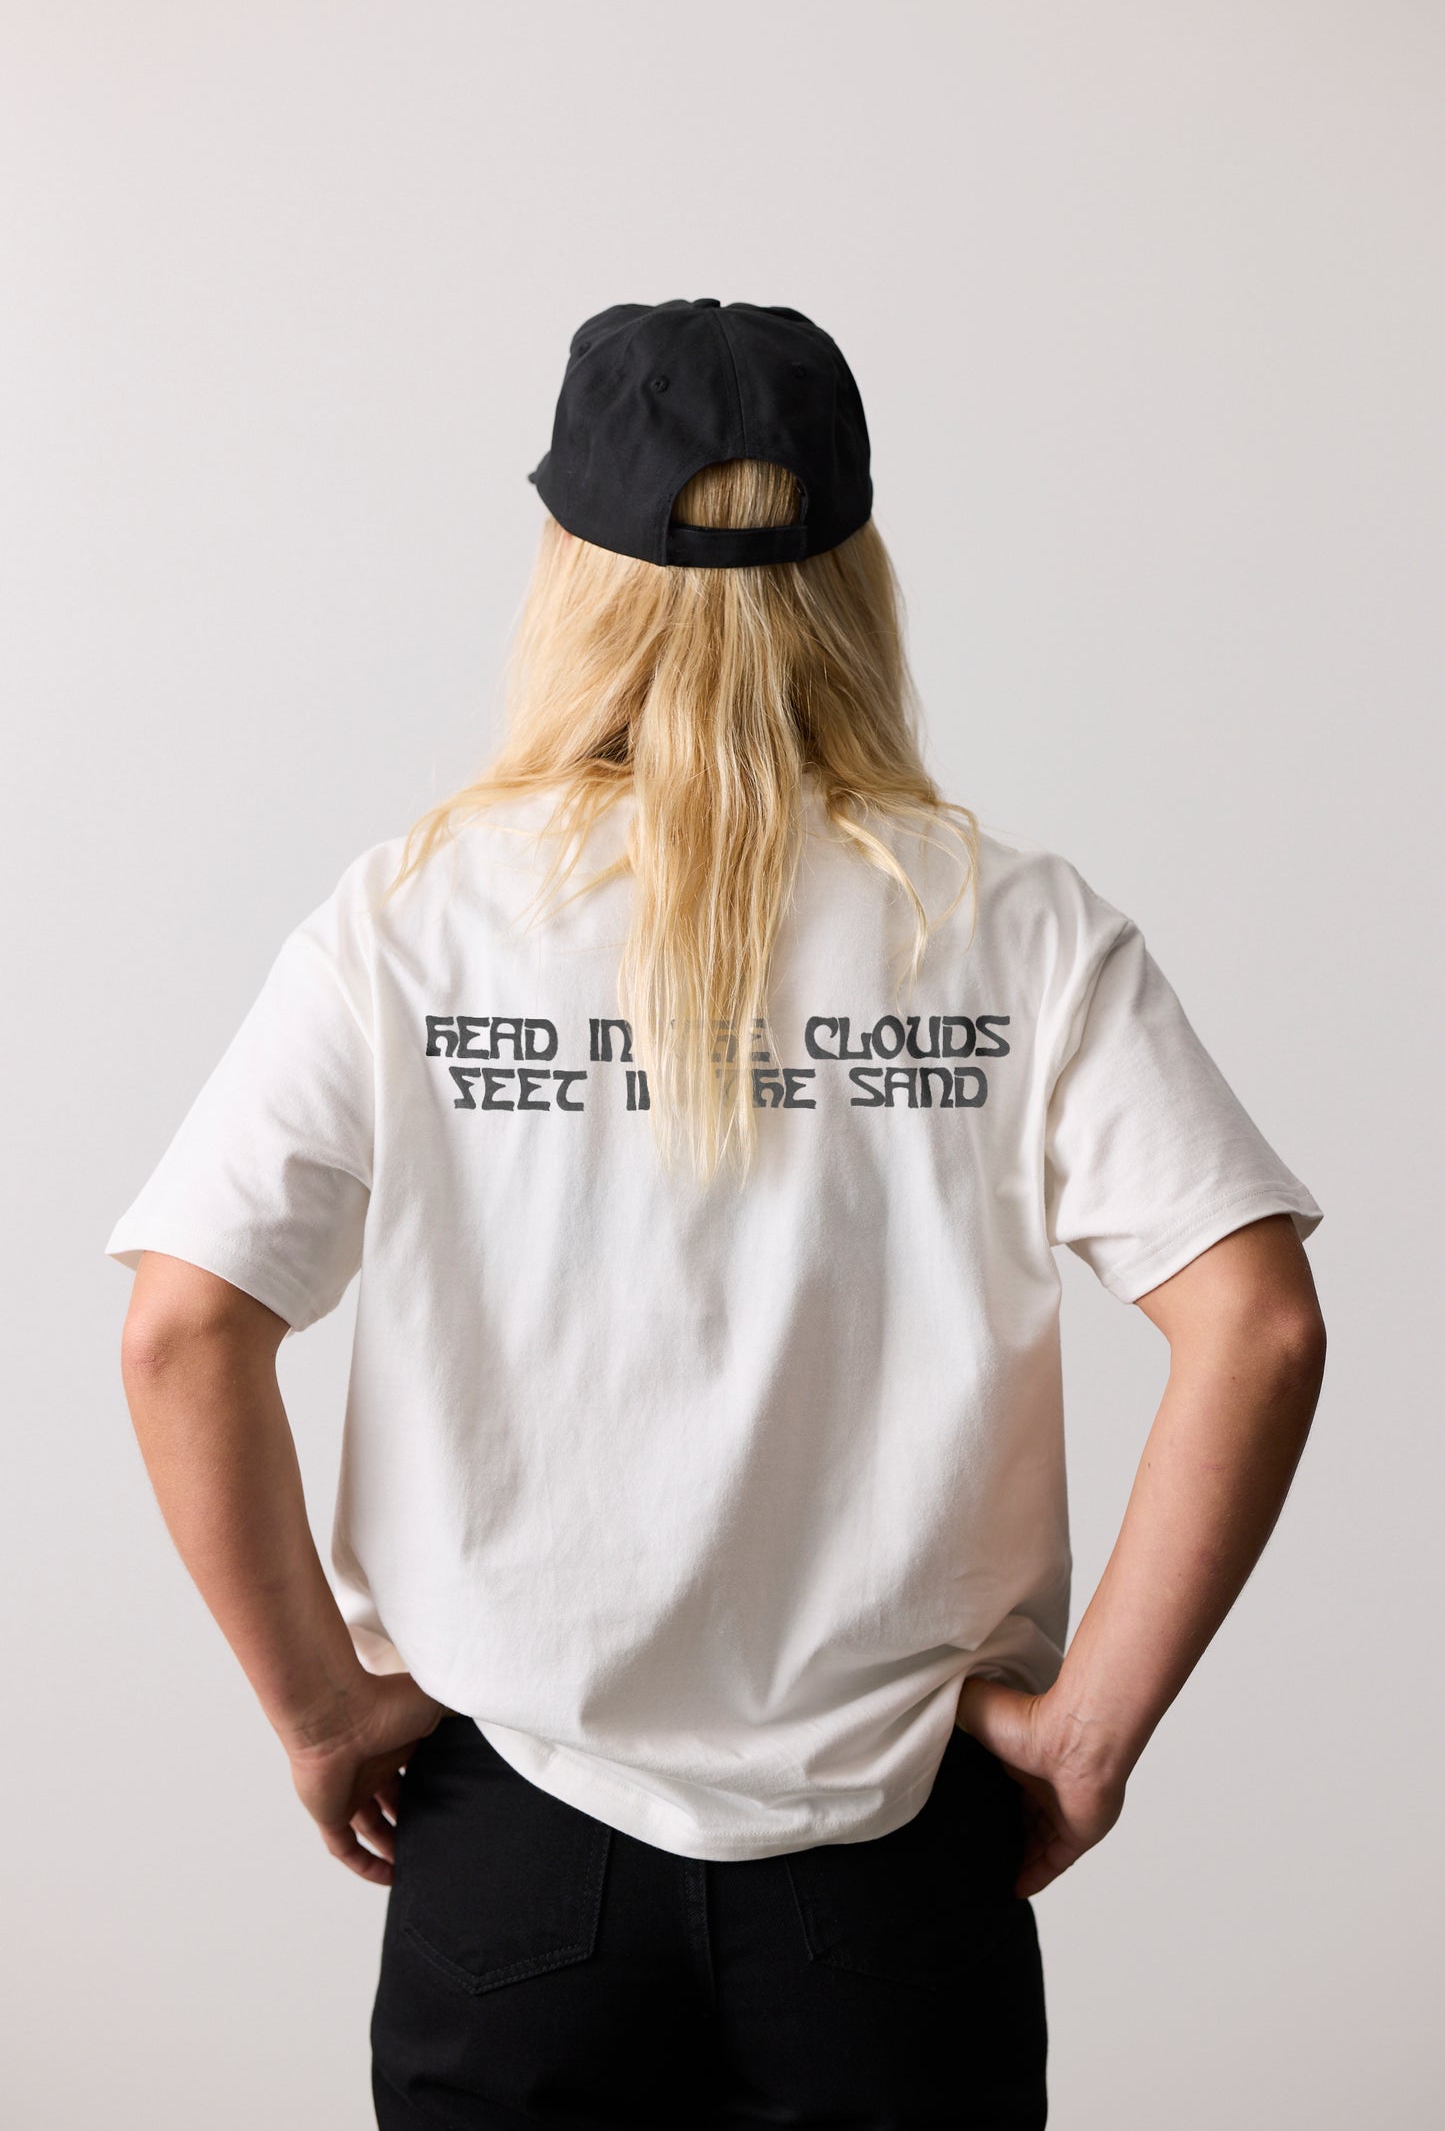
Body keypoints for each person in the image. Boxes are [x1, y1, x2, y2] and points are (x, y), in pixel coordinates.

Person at [107, 297, 1327, 2130]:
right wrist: (1090, 1732)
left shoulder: (414, 923)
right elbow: (1260, 1321)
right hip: (891, 1867)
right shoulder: (1011, 926)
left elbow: (182, 1326)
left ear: (570, 572)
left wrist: (318, 1710)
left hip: (515, 1859)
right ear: (852, 574)